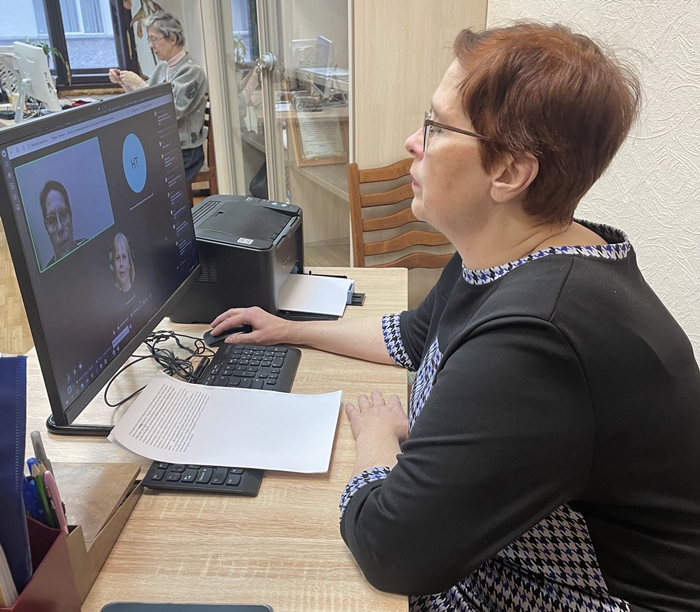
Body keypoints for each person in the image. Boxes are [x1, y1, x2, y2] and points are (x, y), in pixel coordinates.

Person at [208, 22, 700, 611]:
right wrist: (289, 329)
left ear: (509, 172)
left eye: (436, 127)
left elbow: (393, 551)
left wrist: (376, 439)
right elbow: (414, 338)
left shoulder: (539, 336)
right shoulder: (506, 254)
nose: (412, 142)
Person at [109, 11, 208, 183]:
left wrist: (139, 84)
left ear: (172, 39)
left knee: (148, 183)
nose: (150, 45)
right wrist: (124, 83)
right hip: (163, 147)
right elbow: (144, 105)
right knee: (125, 171)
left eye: (154, 39)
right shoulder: (162, 68)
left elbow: (172, 111)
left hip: (184, 151)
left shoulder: (192, 71)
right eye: (149, 39)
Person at [39, 180, 85, 266]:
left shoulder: (91, 249)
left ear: (71, 217)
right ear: (47, 229)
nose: (60, 228)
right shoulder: (48, 273)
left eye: (63, 214)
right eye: (52, 221)